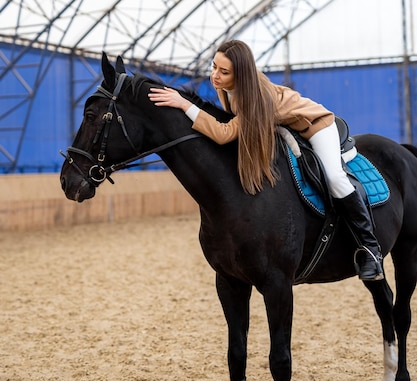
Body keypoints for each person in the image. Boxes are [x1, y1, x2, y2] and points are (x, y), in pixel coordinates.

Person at [148, 39, 384, 281]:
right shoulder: (228, 84)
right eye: (214, 66)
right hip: (285, 124)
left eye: (224, 71)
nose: (215, 76)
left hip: (316, 126)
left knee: (335, 178)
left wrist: (184, 104)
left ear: (241, 75)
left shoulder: (256, 97)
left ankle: (370, 249)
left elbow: (224, 133)